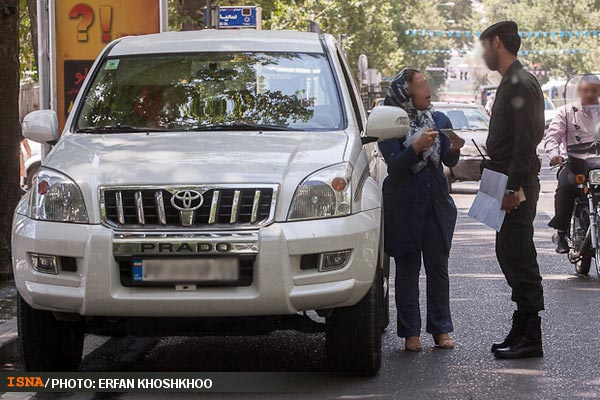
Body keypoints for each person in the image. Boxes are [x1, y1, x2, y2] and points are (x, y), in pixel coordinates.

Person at [379, 68, 464, 352]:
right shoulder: (390, 123)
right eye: (421, 84)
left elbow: (449, 160)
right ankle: (410, 333)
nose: (428, 89)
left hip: (436, 203)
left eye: (427, 84)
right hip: (403, 204)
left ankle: (441, 329)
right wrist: (415, 147)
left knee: (438, 268)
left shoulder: (439, 119)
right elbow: (394, 166)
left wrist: (454, 148)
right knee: (407, 268)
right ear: (406, 92)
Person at [480, 21, 545, 359]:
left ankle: (531, 335)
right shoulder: (511, 81)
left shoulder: (520, 82)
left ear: (497, 43)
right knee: (508, 252)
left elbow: (525, 143)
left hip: (513, 183)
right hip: (504, 179)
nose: (483, 55)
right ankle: (521, 327)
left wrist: (513, 188)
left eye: (485, 47)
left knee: (519, 254)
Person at [544, 75, 600, 253]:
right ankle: (561, 231)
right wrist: (554, 155)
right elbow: (552, 137)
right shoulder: (565, 112)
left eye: (594, 90)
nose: (590, 94)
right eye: (586, 90)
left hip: (598, 165)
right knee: (566, 184)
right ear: (579, 92)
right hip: (575, 163)